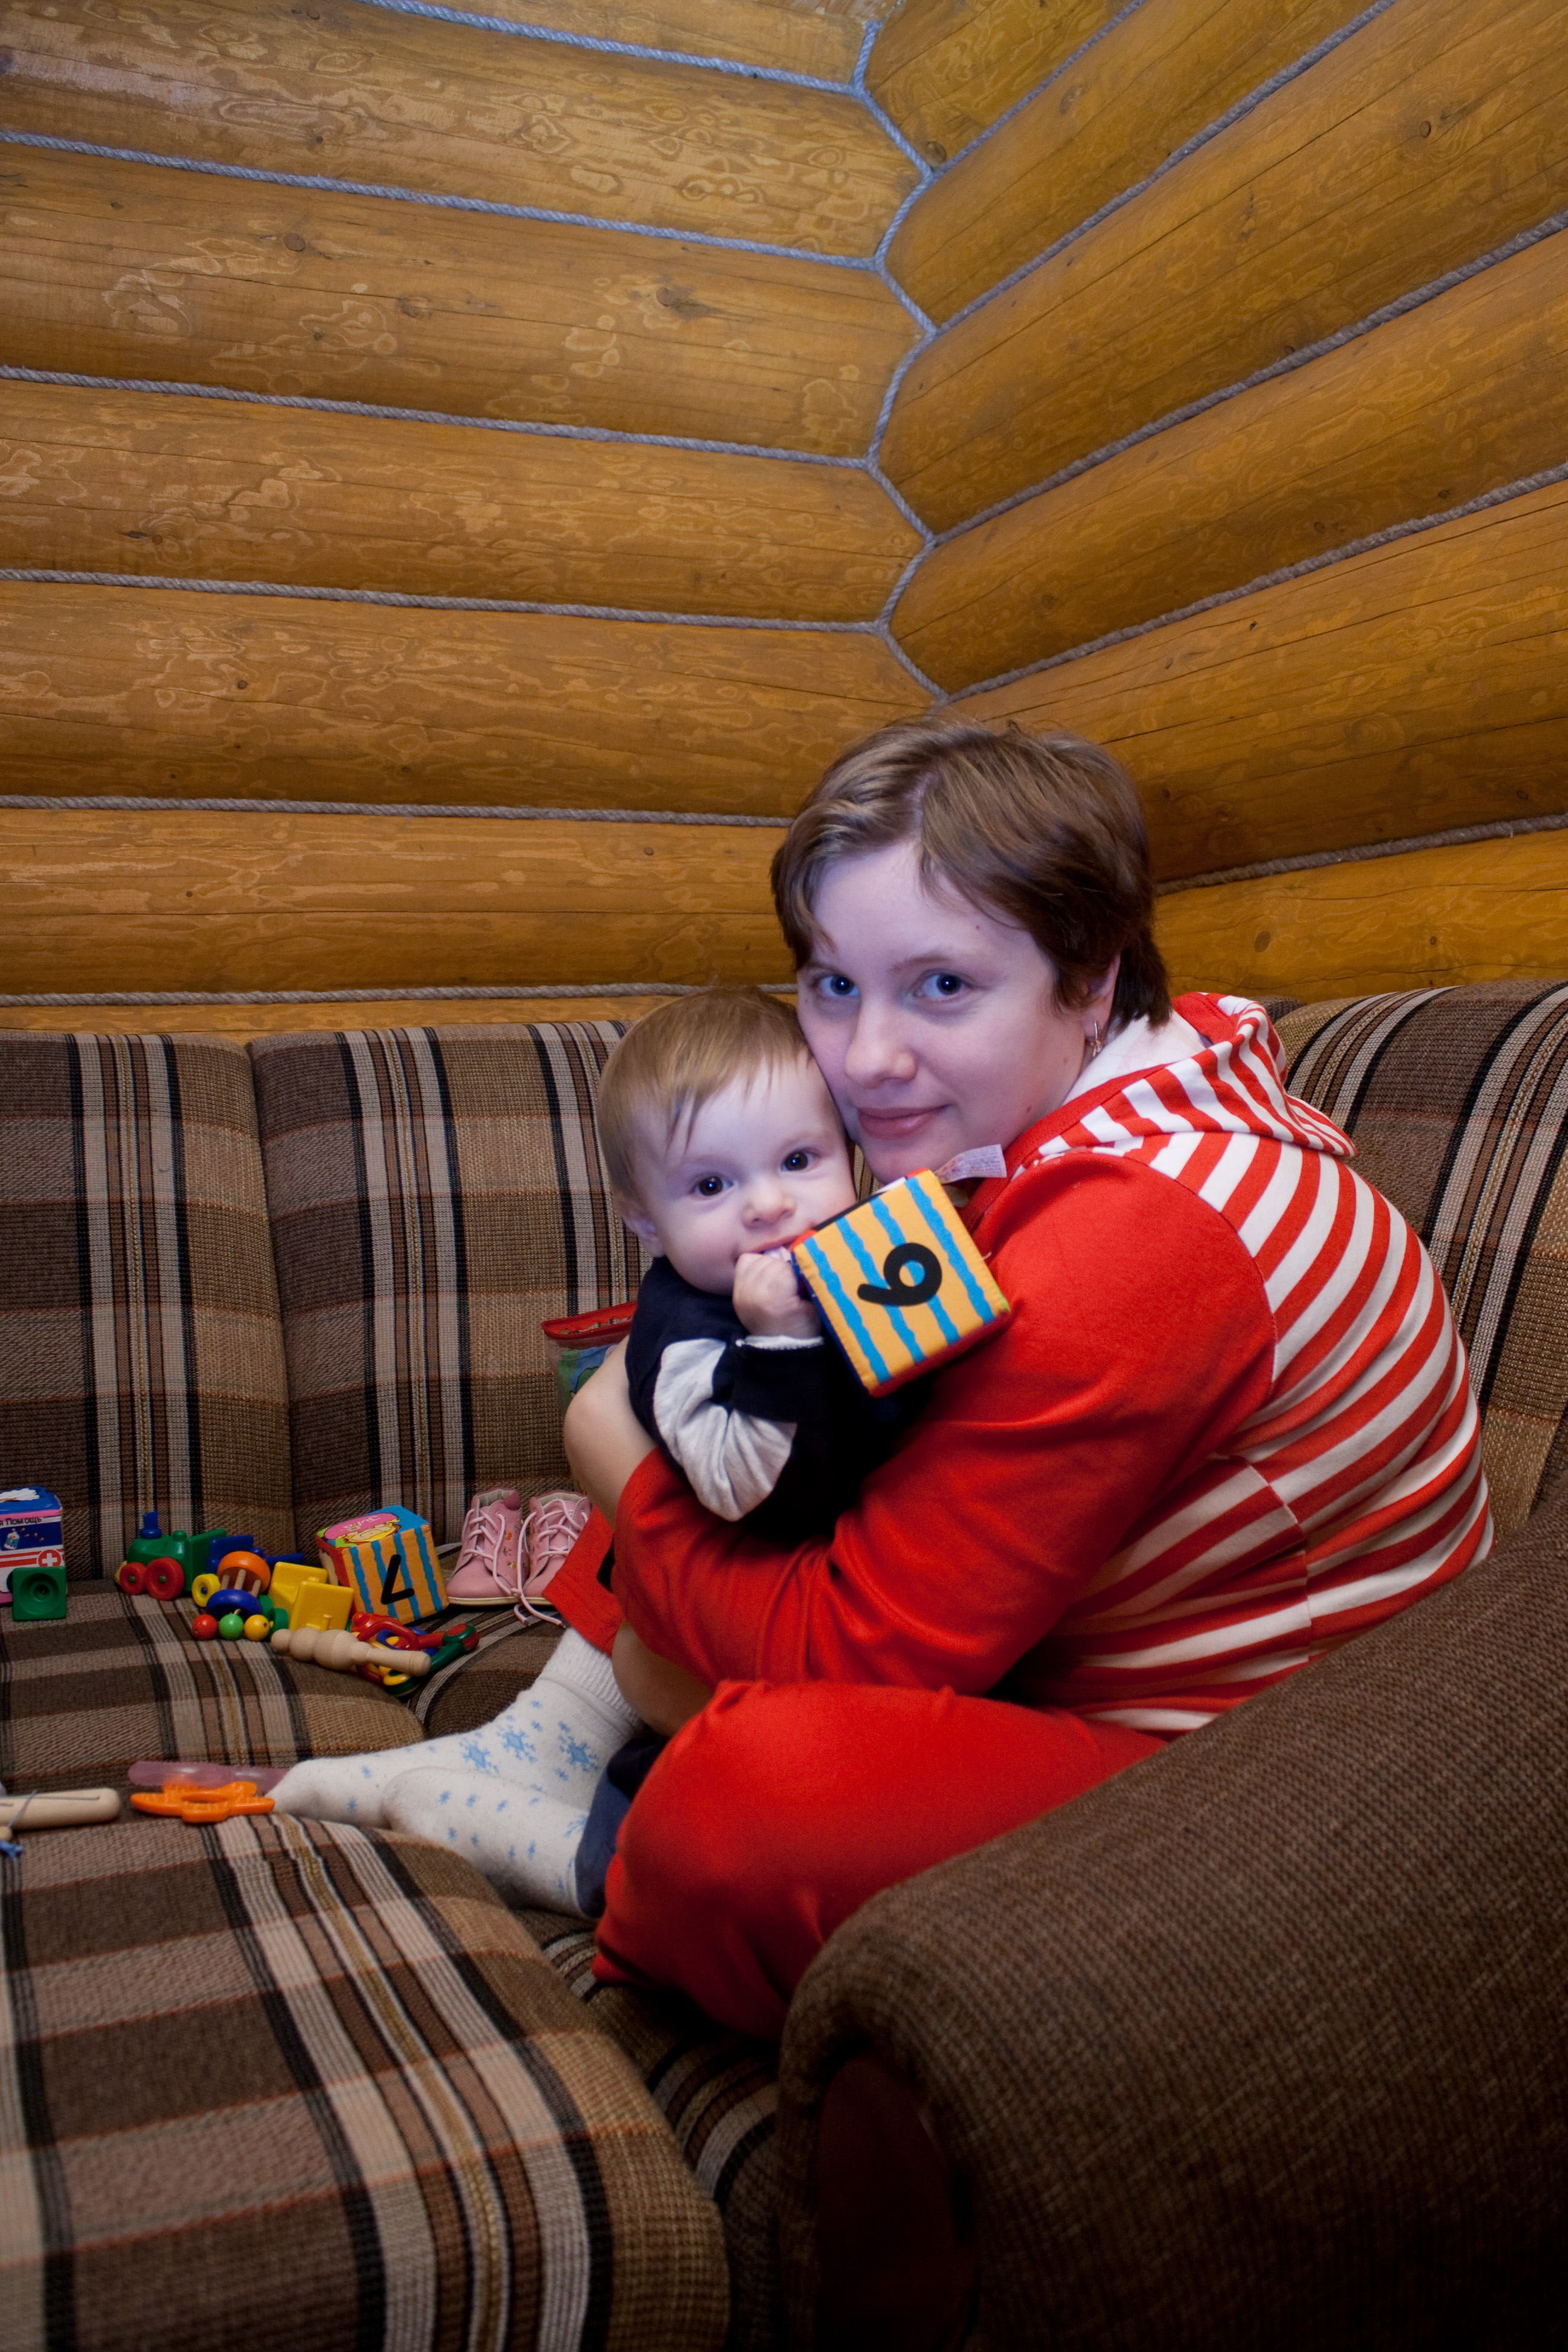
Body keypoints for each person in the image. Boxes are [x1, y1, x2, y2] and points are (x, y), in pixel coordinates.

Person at [560, 717, 1492, 2037]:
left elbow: (854, 1656)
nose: (863, 1059)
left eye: (942, 986)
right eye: (832, 984)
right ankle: (586, 1719)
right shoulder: (1146, 1087)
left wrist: (619, 1468)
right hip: (1109, 1662)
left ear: (1090, 980)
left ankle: (600, 1827)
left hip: (1275, 1797)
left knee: (745, 1795)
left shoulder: (1137, 1229)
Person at [270, 985, 911, 1912]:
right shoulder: (688, 1334)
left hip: (833, 1580)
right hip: (744, 1573)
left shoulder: (853, 1255)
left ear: (850, 1155)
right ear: (643, 1219)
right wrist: (780, 1346)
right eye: (712, 1186)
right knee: (700, 1794)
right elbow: (741, 1486)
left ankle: (540, 1747)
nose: (771, 1205)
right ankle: (555, 1815)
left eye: (800, 1160)